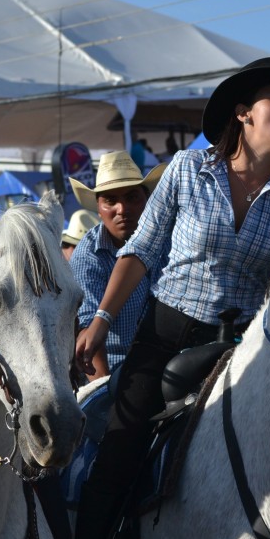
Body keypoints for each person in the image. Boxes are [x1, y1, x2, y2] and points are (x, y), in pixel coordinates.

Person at [71, 57, 270, 539]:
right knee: (119, 450)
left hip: (248, 346)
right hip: (164, 337)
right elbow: (141, 250)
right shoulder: (188, 171)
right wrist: (101, 318)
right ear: (243, 113)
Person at [69, 152, 164, 380]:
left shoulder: (168, 240)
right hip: (117, 372)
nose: (122, 209)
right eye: (111, 201)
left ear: (147, 199)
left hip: (170, 363)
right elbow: (89, 332)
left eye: (132, 198)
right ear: (99, 208)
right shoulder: (89, 255)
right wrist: (105, 395)